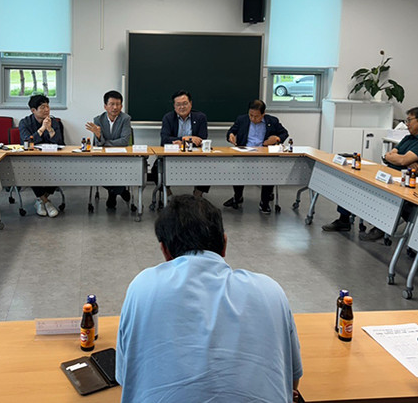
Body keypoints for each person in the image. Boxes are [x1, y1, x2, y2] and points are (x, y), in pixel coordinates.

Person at [116, 195, 302, 402]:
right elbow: (292, 383)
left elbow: (126, 379)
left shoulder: (142, 288)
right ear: (224, 245)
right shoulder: (270, 292)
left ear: (165, 251)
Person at [323, 107, 418, 240]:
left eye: (409, 120)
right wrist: (404, 160)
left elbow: (401, 159)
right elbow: (389, 155)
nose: (407, 124)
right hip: (390, 174)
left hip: (406, 182)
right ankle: (344, 220)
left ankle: (381, 228)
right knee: (353, 180)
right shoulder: (408, 138)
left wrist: (402, 160)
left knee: (380, 192)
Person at [224, 99, 289, 213]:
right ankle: (238, 197)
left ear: (263, 114)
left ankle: (265, 202)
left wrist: (277, 139)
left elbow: (284, 133)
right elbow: (231, 132)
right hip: (245, 153)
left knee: (269, 171)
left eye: (256, 116)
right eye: (251, 115)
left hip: (264, 154)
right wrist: (231, 136)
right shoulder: (242, 119)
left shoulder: (272, 121)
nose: (253, 119)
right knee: (237, 170)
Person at [18, 94, 65, 218]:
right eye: (43, 107)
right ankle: (46, 202)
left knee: (61, 168)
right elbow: (27, 141)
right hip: (32, 159)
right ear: (33, 110)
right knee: (31, 169)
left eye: (48, 106)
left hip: (51, 159)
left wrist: (50, 130)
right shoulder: (24, 122)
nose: (46, 110)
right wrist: (42, 128)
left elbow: (60, 142)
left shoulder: (54, 122)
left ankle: (41, 200)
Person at [86, 90, 132, 209]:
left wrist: (103, 142)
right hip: (103, 157)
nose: (115, 107)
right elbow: (97, 145)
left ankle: (112, 192)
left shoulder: (125, 119)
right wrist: (98, 137)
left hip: (121, 157)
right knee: (98, 170)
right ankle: (121, 191)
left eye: (118, 104)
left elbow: (124, 141)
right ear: (105, 106)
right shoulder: (98, 120)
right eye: (112, 104)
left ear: (121, 106)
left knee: (116, 168)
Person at [159, 90, 210, 197]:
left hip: (195, 156)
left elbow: (201, 139)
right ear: (174, 106)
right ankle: (168, 196)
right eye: (178, 104)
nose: (182, 107)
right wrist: (185, 138)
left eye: (185, 103)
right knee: (157, 168)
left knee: (208, 166)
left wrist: (182, 142)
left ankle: (197, 196)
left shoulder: (200, 117)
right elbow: (164, 140)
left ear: (190, 104)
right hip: (172, 157)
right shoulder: (168, 118)